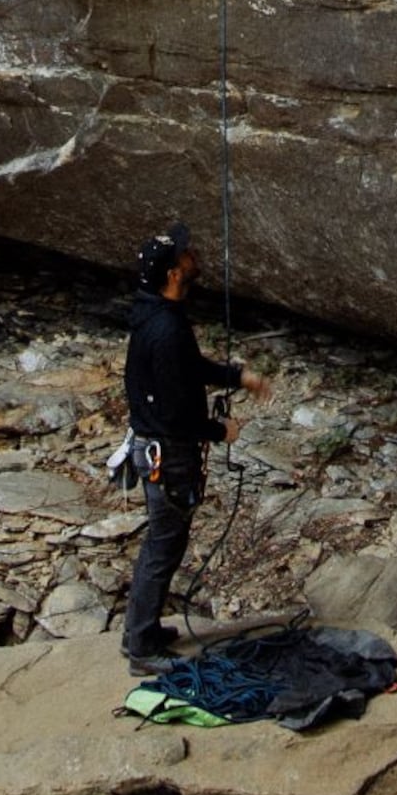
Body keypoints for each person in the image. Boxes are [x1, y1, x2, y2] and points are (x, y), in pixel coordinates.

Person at [119, 222, 263, 666]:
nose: (192, 254)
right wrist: (221, 432)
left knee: (165, 542)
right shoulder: (165, 329)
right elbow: (178, 413)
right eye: (185, 254)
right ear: (173, 274)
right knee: (164, 544)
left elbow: (187, 369)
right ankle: (140, 644)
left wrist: (236, 376)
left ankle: (141, 631)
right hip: (167, 452)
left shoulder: (155, 315)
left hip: (154, 445)